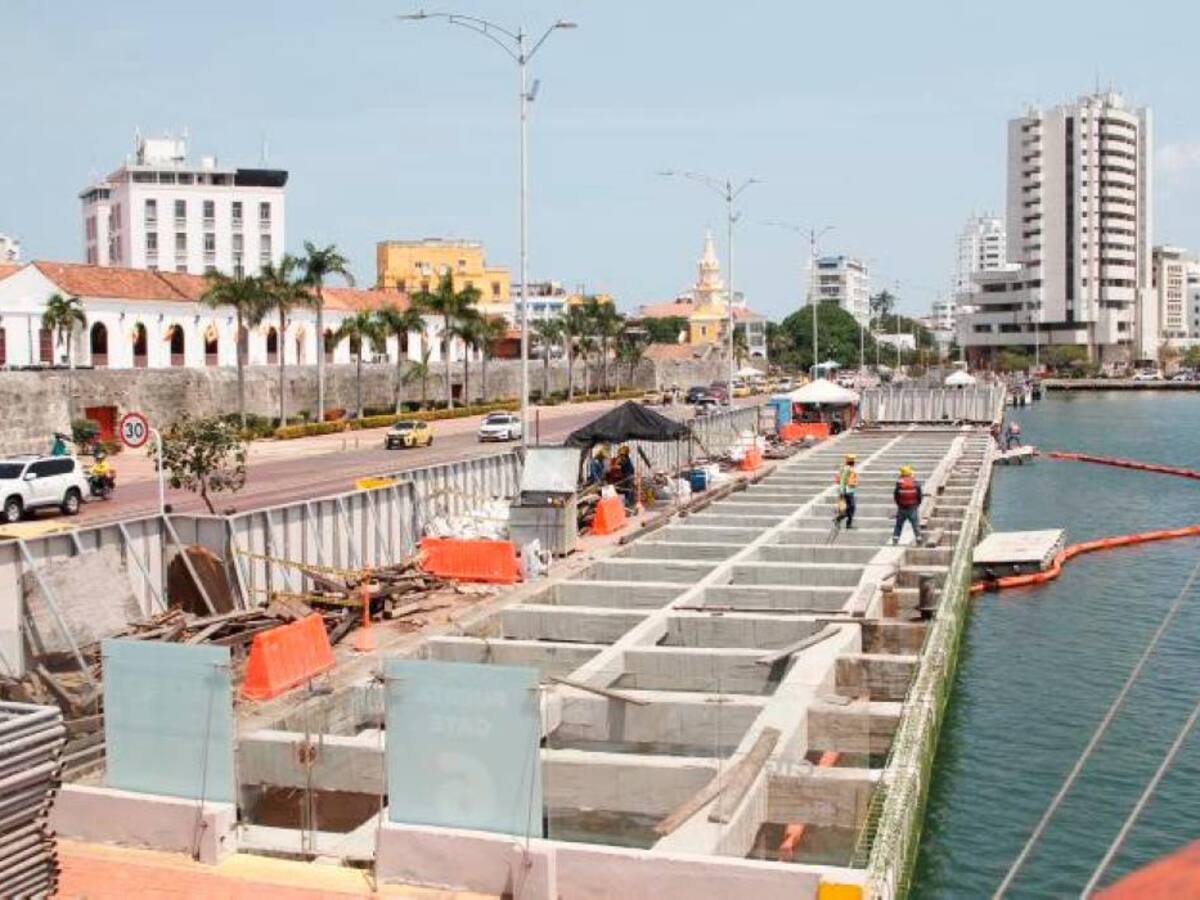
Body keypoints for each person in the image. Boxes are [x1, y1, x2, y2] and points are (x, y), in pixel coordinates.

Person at [892, 465, 923, 545]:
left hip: (902, 507)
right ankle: (919, 539)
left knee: (899, 524)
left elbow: (896, 495)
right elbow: (919, 495)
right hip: (912, 507)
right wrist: (917, 504)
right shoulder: (915, 482)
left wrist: (899, 504)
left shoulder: (899, 483)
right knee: (915, 524)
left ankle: (895, 539)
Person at [834, 454, 858, 529]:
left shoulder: (849, 468)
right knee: (851, 507)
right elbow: (842, 481)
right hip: (847, 491)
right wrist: (842, 491)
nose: (854, 462)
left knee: (851, 508)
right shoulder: (847, 469)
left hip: (849, 490)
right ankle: (839, 519)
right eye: (853, 461)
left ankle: (847, 523)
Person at [615, 445, 636, 512]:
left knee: (628, 490)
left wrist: (615, 464)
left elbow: (617, 465)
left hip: (628, 475)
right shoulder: (627, 458)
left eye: (621, 454)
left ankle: (628, 504)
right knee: (629, 489)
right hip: (629, 475)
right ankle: (630, 504)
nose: (620, 455)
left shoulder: (624, 458)